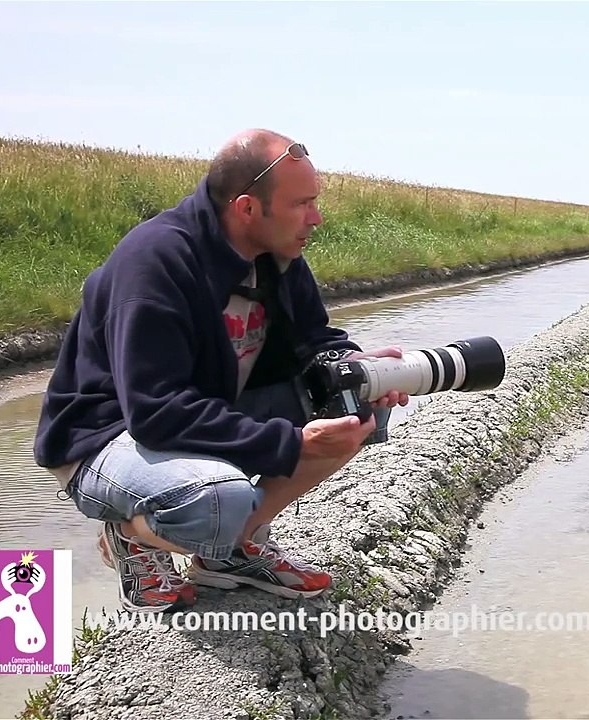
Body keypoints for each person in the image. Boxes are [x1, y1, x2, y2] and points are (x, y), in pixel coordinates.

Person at [33, 129, 409, 613]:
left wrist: (354, 367)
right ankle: (132, 535)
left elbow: (316, 338)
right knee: (219, 501)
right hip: (106, 436)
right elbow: (156, 412)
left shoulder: (280, 255)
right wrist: (291, 444)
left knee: (359, 408)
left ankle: (228, 553)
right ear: (247, 208)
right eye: (302, 204)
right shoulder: (157, 262)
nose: (315, 218)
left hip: (199, 410)